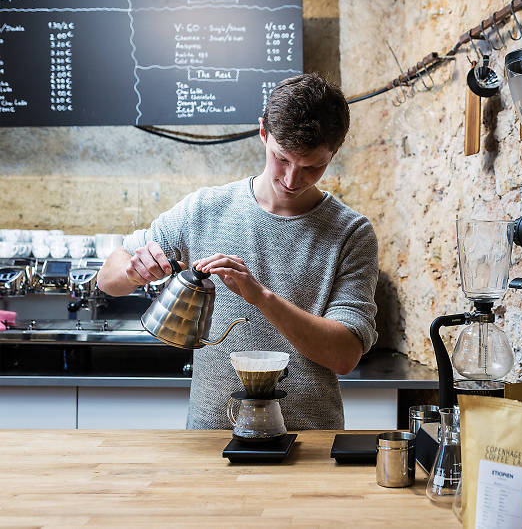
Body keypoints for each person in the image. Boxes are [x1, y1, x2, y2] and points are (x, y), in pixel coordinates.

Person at [97, 73, 378, 430]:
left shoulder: (352, 232)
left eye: (312, 167)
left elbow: (345, 355)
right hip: (210, 438)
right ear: (263, 132)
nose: (292, 179)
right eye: (282, 159)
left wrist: (260, 296)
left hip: (310, 443)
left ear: (334, 152)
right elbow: (107, 280)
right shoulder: (204, 209)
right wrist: (133, 270)